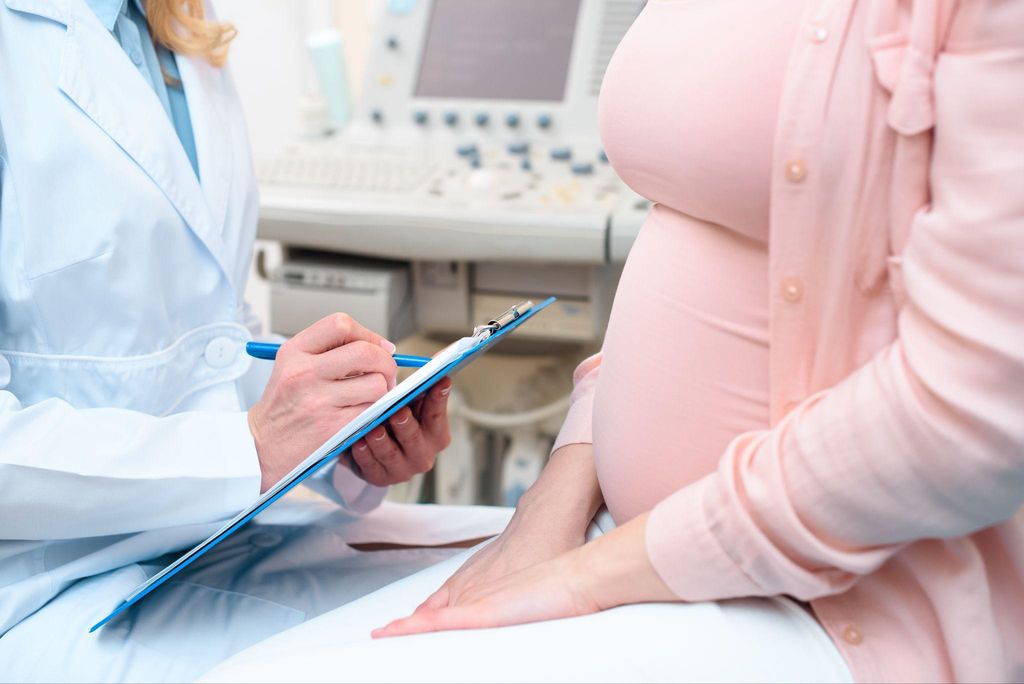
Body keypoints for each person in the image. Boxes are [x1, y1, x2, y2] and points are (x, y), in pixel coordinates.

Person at [202, 0, 1024, 682]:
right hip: (618, 540)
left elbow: (974, 414)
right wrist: (548, 511)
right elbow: (696, 223)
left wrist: (588, 577)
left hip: (827, 595)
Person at [0, 0, 511, 681]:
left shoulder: (175, 23)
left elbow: (211, 332)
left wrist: (340, 439)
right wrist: (254, 448)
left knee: (513, 586)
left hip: (208, 540)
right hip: (48, 587)